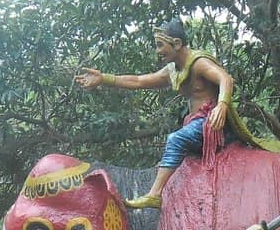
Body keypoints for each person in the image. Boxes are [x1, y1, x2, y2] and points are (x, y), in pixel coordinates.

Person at [75, 18, 235, 209]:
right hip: (194, 123)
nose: (157, 51)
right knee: (177, 146)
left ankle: (155, 193)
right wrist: (104, 79)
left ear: (176, 44)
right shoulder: (172, 71)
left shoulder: (198, 62)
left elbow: (225, 78)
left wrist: (222, 105)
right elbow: (139, 81)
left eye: (160, 45)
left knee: (175, 139)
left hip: (211, 123)